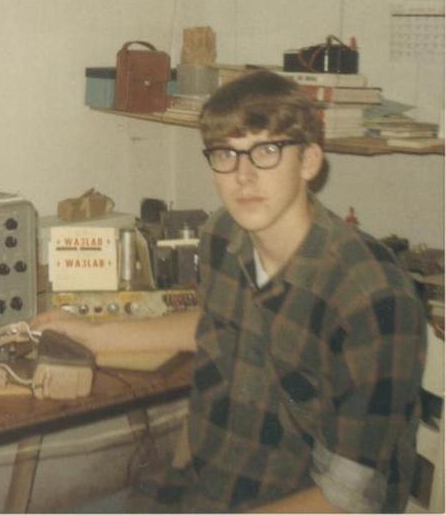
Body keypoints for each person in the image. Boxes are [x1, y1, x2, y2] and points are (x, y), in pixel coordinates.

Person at [34, 69, 425, 512]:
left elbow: (349, 498)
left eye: (267, 151)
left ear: (309, 162)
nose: (243, 176)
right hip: (203, 492)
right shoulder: (223, 235)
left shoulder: (371, 296)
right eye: (226, 154)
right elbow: (213, 323)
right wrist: (93, 334)